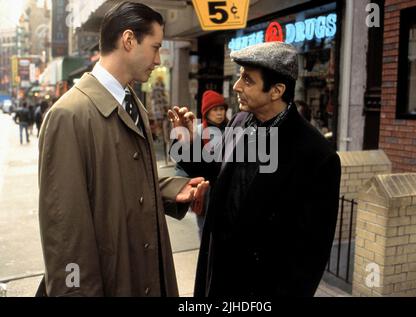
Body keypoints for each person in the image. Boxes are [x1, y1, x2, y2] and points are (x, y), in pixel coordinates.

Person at [37, 1, 208, 297]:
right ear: (129, 40)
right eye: (155, 47)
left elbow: (122, 181)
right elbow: (66, 232)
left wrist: (171, 190)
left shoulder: (132, 103)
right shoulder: (68, 116)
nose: (158, 59)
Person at [169, 41, 341, 296]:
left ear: (276, 90)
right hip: (218, 274)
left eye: (247, 80)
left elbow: (310, 255)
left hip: (260, 287)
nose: (237, 87)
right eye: (240, 77)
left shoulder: (317, 156)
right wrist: (185, 144)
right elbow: (217, 169)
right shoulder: (240, 121)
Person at [173, 90, 229, 239]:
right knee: (204, 229)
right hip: (204, 191)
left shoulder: (231, 131)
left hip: (225, 190)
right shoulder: (197, 131)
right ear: (206, 112)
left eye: (222, 109)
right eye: (215, 109)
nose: (219, 113)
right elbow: (183, 165)